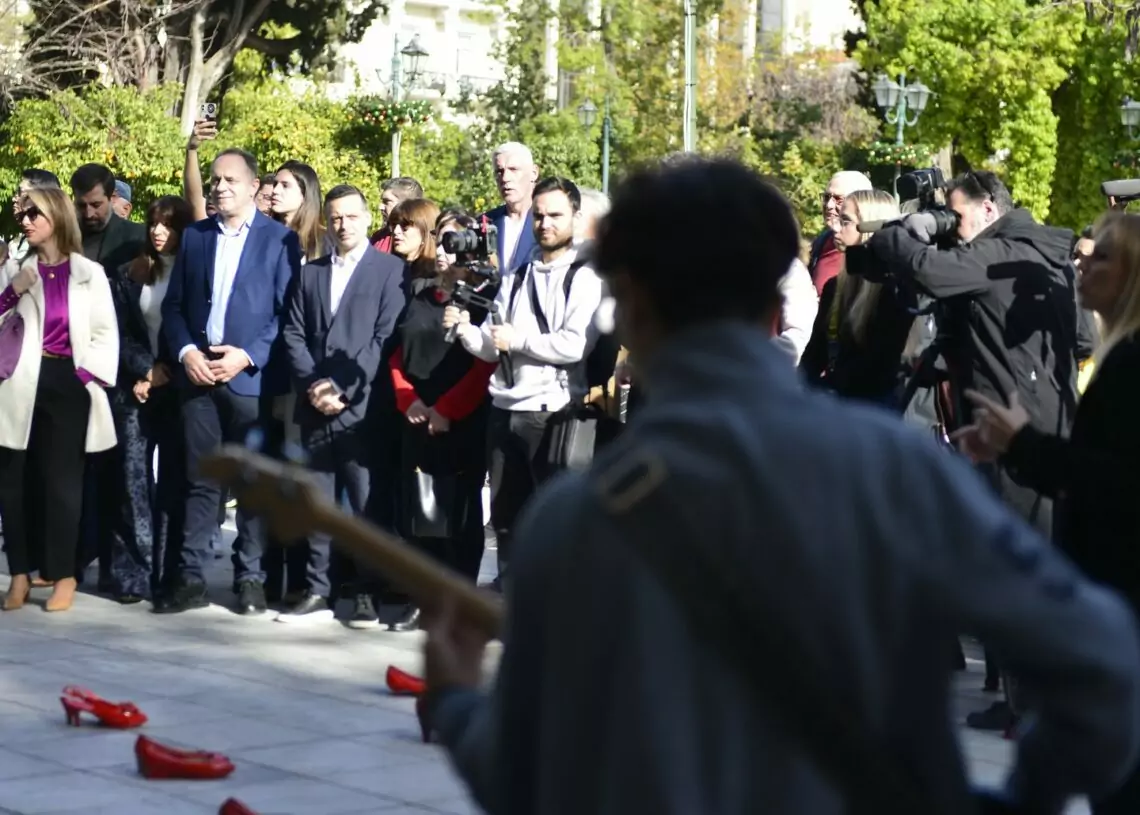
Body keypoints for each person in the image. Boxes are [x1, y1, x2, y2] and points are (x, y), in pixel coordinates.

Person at [421, 158, 1140, 815]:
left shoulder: (576, 522)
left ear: (629, 302)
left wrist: (455, 700)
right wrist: (1020, 799)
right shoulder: (891, 469)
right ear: (772, 295)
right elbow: (1101, 661)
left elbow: (530, 779)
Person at [956, 210, 1140, 814]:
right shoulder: (1120, 355)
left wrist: (1024, 445)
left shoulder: (1131, 363)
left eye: (1103, 256)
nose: (1083, 263)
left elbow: (1114, 481)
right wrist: (1016, 447)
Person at [158, 148, 301, 615]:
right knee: (200, 481)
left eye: (230, 180)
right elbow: (174, 306)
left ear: (254, 186)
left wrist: (247, 356)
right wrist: (186, 352)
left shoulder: (280, 240)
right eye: (215, 179)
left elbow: (286, 314)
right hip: (199, 379)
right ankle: (191, 578)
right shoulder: (196, 237)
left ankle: (250, 579)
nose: (219, 187)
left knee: (253, 485)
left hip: (250, 381)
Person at [280, 184, 406, 624]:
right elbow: (293, 333)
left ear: (368, 218)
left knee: (366, 504)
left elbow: (384, 338)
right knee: (318, 502)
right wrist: (315, 384)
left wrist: (342, 388)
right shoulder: (310, 273)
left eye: (351, 216)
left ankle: (367, 589)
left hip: (363, 408)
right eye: (335, 217)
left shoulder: (390, 270)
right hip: (314, 405)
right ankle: (318, 590)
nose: (343, 225)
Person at [0, 188, 119, 612]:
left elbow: (105, 333)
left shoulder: (89, 273)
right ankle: (19, 574)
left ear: (56, 216)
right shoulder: (17, 269)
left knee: (62, 486)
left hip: (68, 382)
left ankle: (63, 573)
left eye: (35, 213)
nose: (26, 221)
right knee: (13, 483)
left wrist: (84, 377)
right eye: (23, 214)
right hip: (18, 383)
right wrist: (12, 290)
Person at [387, 209, 498, 624]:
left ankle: (459, 601)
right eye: (440, 238)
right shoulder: (420, 294)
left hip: (461, 422)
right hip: (416, 417)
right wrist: (408, 400)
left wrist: (447, 410)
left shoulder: (484, 299)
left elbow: (486, 364)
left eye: (453, 241)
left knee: (460, 515)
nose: (444, 250)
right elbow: (398, 353)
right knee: (418, 510)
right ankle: (422, 597)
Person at [106, 195, 193, 603]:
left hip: (178, 389)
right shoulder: (131, 273)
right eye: (154, 223)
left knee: (174, 484)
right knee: (131, 482)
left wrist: (162, 374)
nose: (159, 232)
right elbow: (117, 332)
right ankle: (132, 574)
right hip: (134, 389)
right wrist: (144, 371)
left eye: (169, 225)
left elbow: (196, 330)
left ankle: (167, 572)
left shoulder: (195, 273)